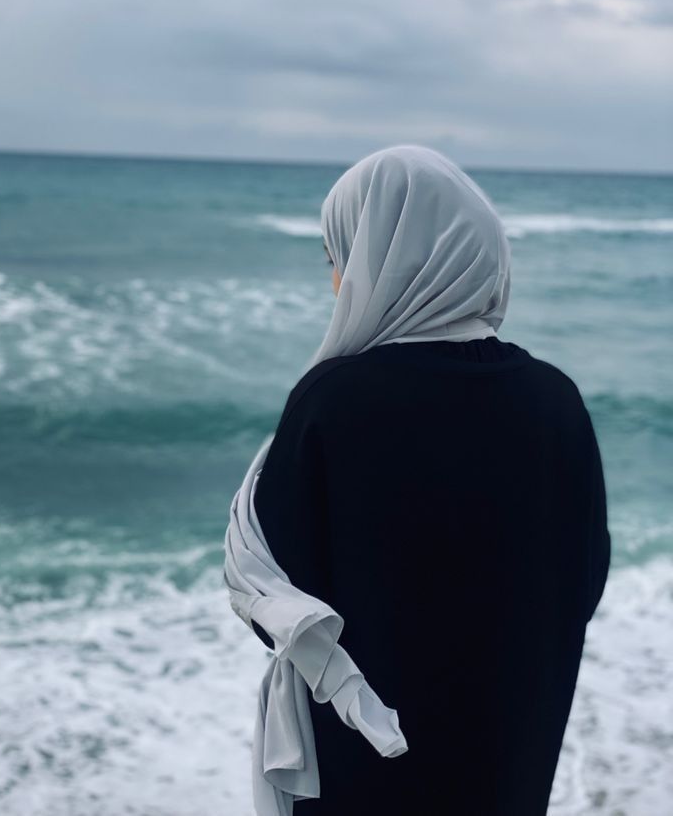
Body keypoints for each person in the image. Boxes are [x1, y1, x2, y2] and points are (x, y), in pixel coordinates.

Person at [239, 144, 611, 814]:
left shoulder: (333, 402)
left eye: (341, 259)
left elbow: (284, 610)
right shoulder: (556, 401)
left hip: (370, 765)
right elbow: (581, 584)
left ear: (379, 265)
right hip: (507, 757)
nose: (337, 283)